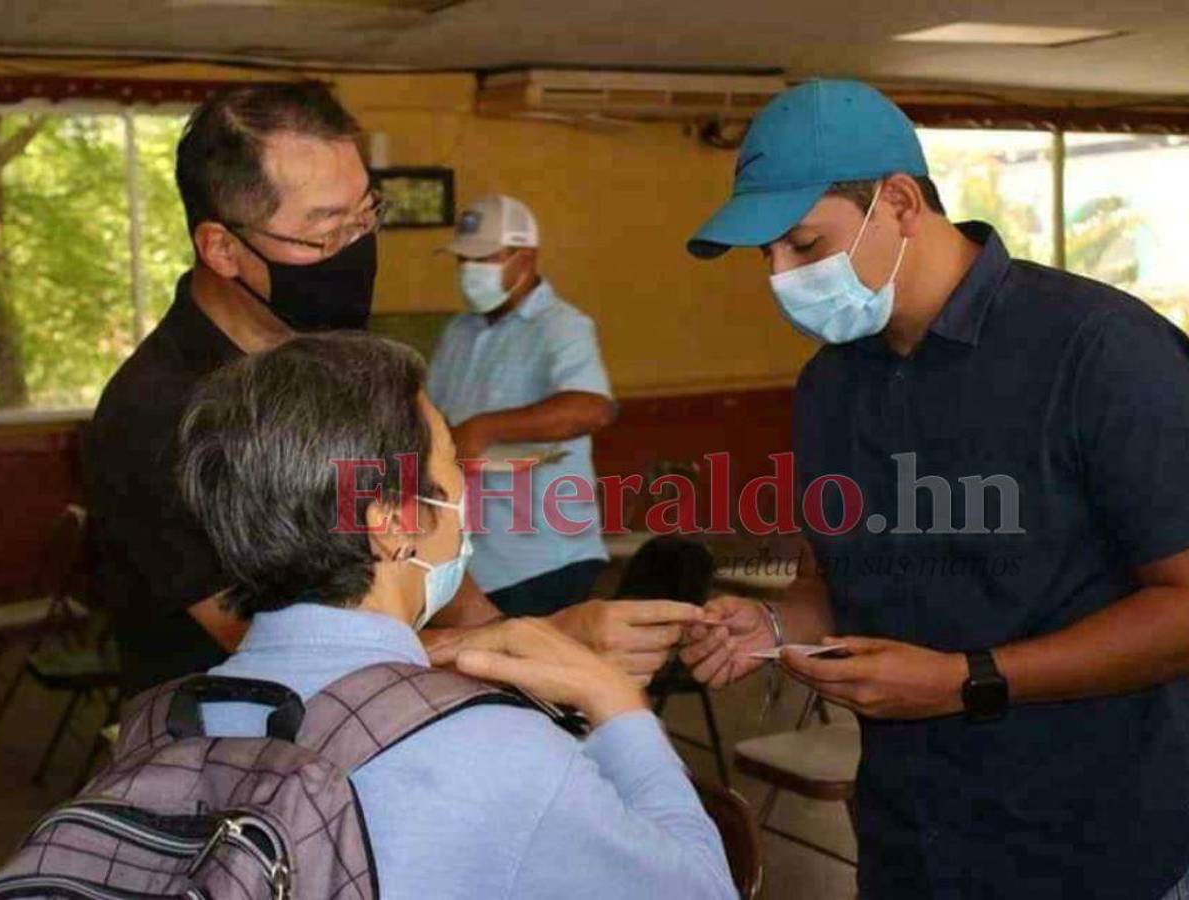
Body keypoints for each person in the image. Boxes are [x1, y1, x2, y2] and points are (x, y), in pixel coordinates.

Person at [679, 79, 1189, 899]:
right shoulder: (830, 388)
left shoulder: (1101, 353)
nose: (780, 278)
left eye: (804, 246)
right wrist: (775, 624)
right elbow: (840, 583)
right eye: (764, 256)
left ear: (902, 202)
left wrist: (968, 679)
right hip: (911, 843)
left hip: (1098, 845)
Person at [86, 83, 700, 697]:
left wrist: (542, 647)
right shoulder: (157, 412)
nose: (357, 251)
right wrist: (509, 647)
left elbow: (429, 544)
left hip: (386, 713)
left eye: (366, 216)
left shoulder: (344, 355)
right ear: (222, 248)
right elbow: (274, 644)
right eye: (327, 232)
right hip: (233, 749)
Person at [179, 332, 738, 900]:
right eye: (451, 467)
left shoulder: (174, 723)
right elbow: (703, 890)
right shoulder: (495, 752)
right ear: (394, 521)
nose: (467, 491)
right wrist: (618, 705)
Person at [429, 194, 614, 616]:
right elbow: (435, 418)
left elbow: (592, 408)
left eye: (484, 259)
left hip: (544, 557)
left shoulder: (562, 327)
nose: (469, 271)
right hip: (475, 561)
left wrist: (484, 428)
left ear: (525, 256)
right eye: (463, 261)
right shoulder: (459, 332)